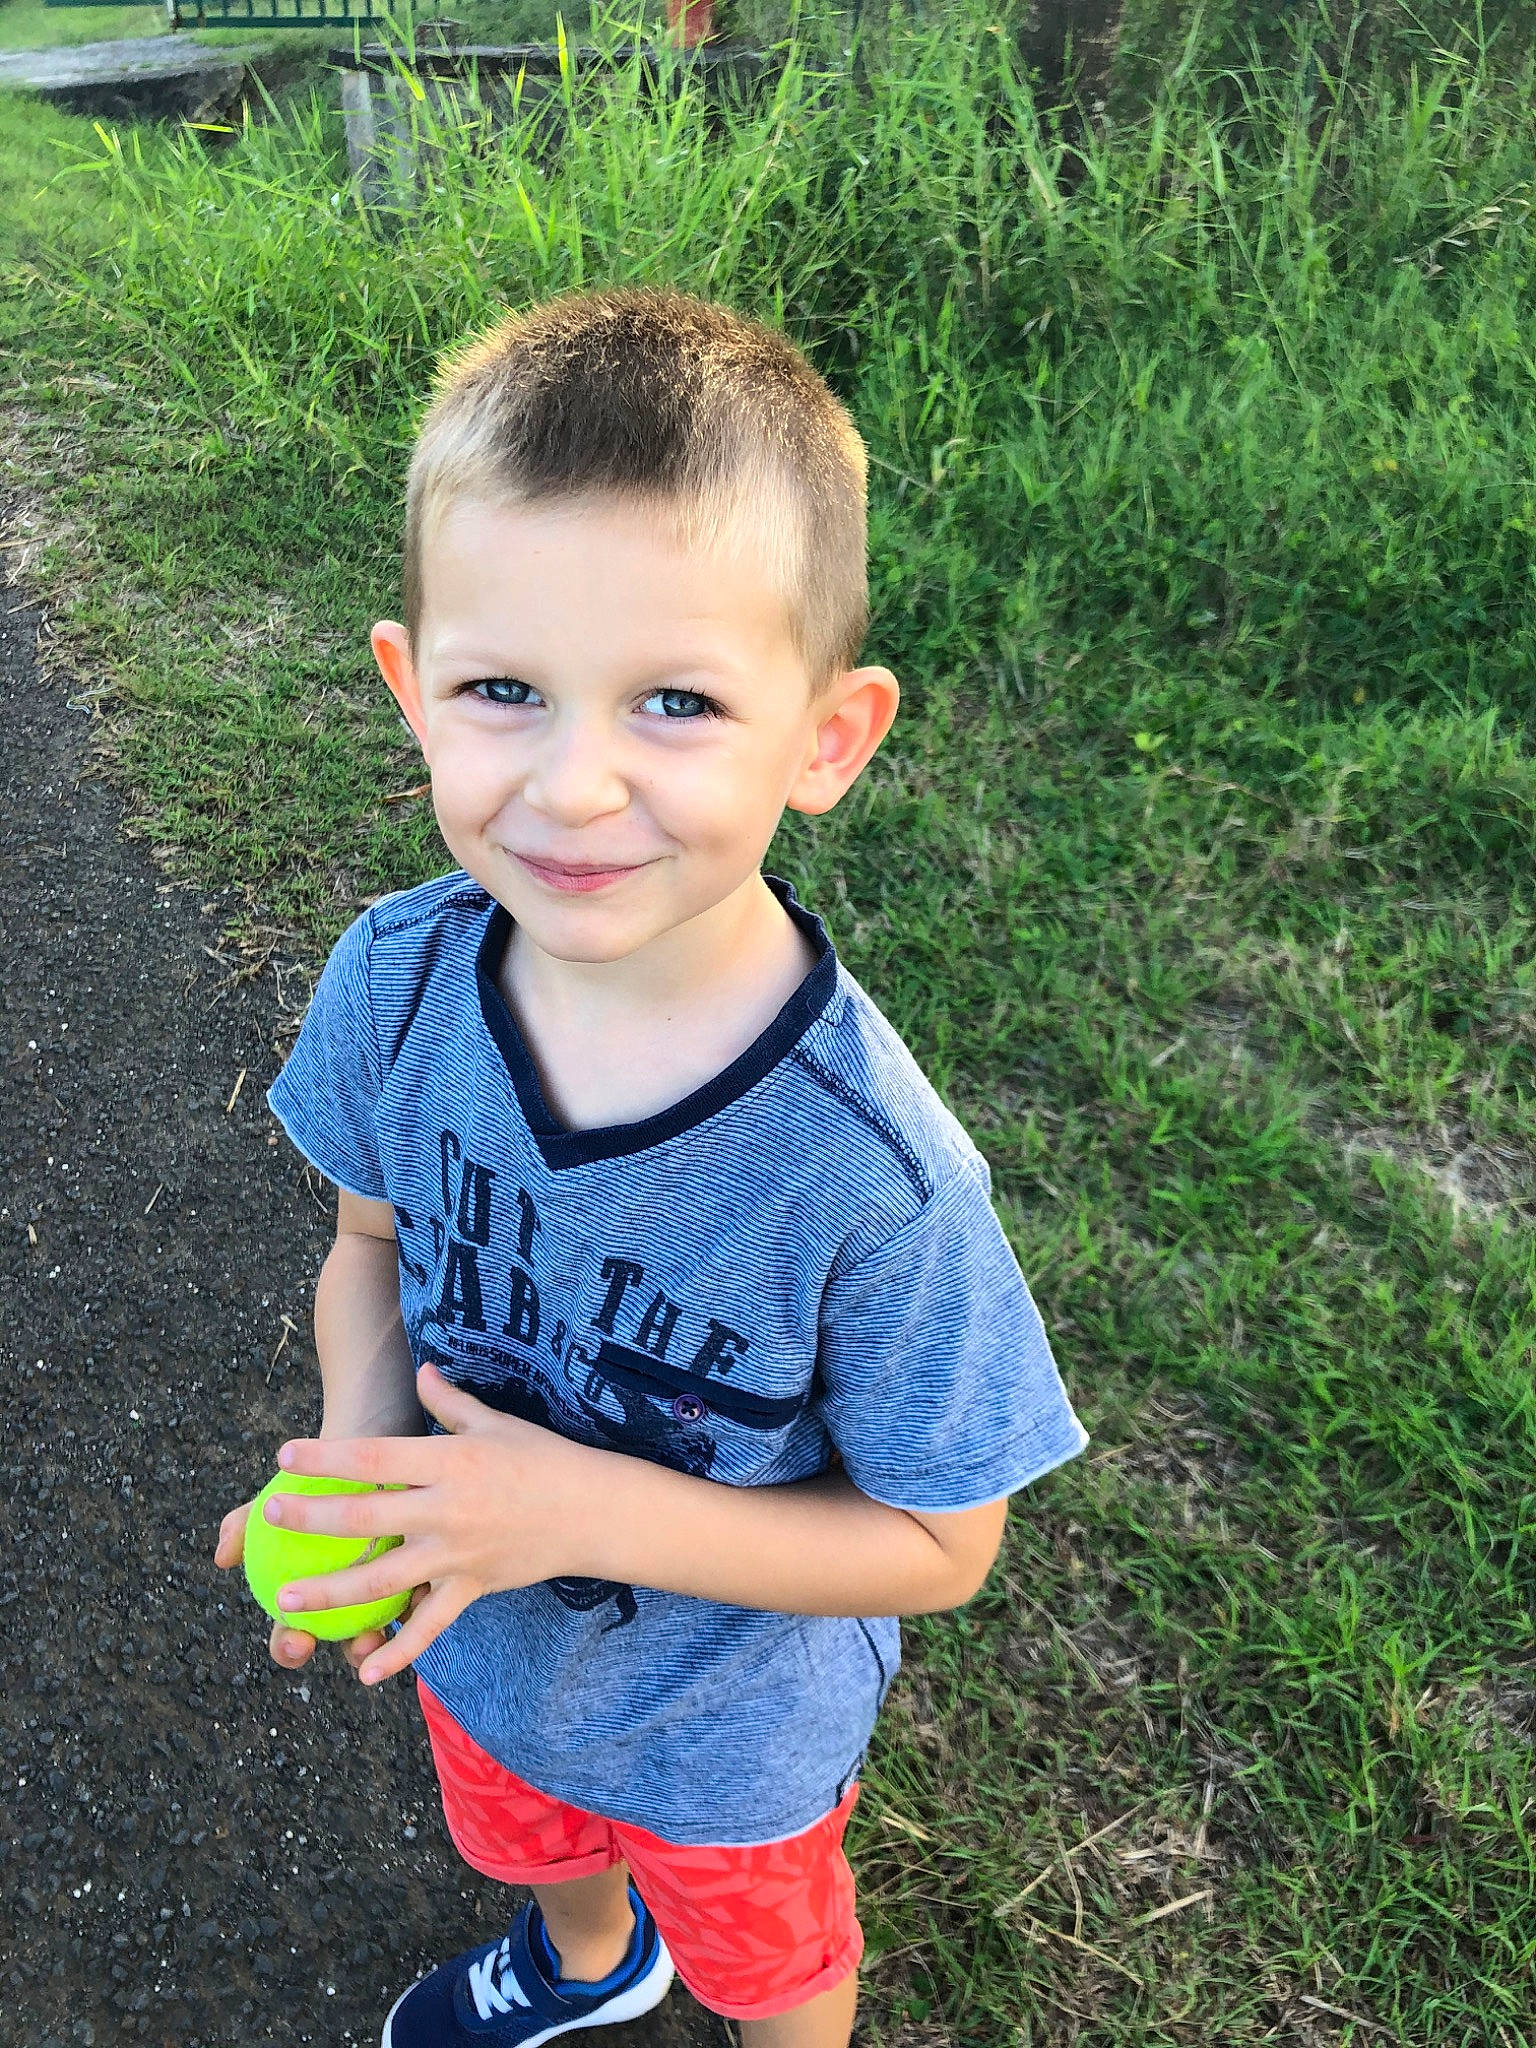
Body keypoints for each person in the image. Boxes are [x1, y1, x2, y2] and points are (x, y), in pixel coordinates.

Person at [214, 284, 1088, 2048]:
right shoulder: (396, 979)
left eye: (676, 701)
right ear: (411, 690)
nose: (575, 785)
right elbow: (369, 1248)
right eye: (504, 690)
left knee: (776, 1972)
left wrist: (577, 1515)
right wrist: (374, 1456)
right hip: (485, 1656)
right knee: (529, 1842)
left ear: (827, 737)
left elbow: (942, 1540)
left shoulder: (872, 1178)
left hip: (727, 1743)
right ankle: (585, 1960)